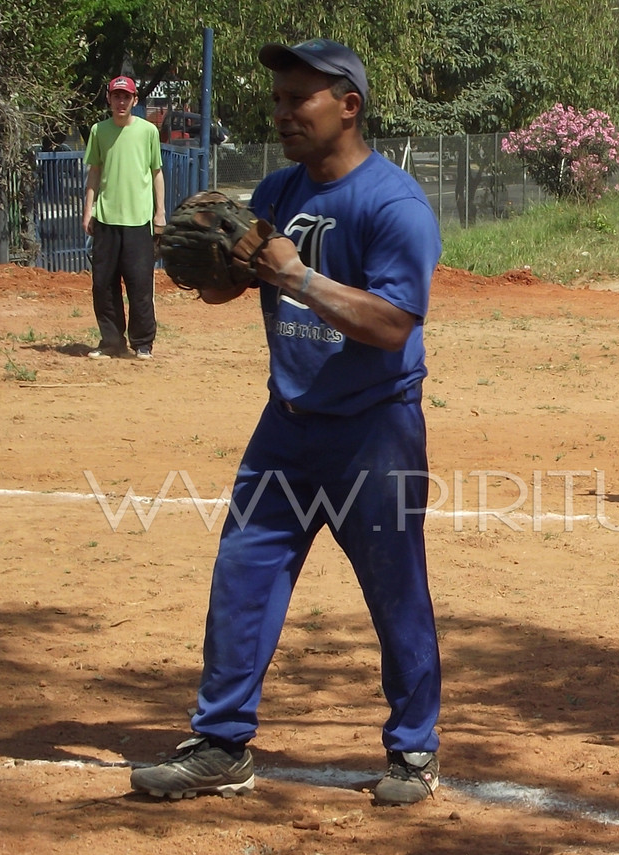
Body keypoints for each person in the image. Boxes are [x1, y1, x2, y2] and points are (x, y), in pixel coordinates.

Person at [128, 38, 444, 806]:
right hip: (288, 423)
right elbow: (231, 288)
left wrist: (295, 273)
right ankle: (221, 742)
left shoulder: (391, 203)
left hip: (375, 429)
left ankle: (413, 751)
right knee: (243, 576)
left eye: (298, 98)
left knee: (394, 590)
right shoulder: (276, 189)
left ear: (348, 105)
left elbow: (394, 323)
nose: (282, 113)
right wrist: (211, 264)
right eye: (277, 99)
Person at [82, 75, 166, 360]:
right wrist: (88, 211)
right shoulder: (98, 131)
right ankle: (111, 341)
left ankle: (143, 343)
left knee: (140, 284)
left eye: (126, 96)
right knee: (103, 284)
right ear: (109, 98)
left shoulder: (147, 132)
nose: (121, 101)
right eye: (116, 96)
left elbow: (156, 172)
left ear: (135, 100)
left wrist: (160, 213)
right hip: (106, 219)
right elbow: (94, 172)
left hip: (139, 220)